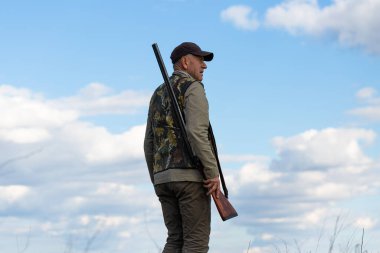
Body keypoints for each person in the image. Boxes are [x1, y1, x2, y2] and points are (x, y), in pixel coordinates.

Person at [144, 42, 220, 253]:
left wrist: (157, 178)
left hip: (162, 179)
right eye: (200, 60)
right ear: (186, 62)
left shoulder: (157, 94)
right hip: (189, 178)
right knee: (195, 242)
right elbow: (197, 132)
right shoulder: (192, 88)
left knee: (174, 240)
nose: (204, 66)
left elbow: (148, 142)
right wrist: (213, 173)